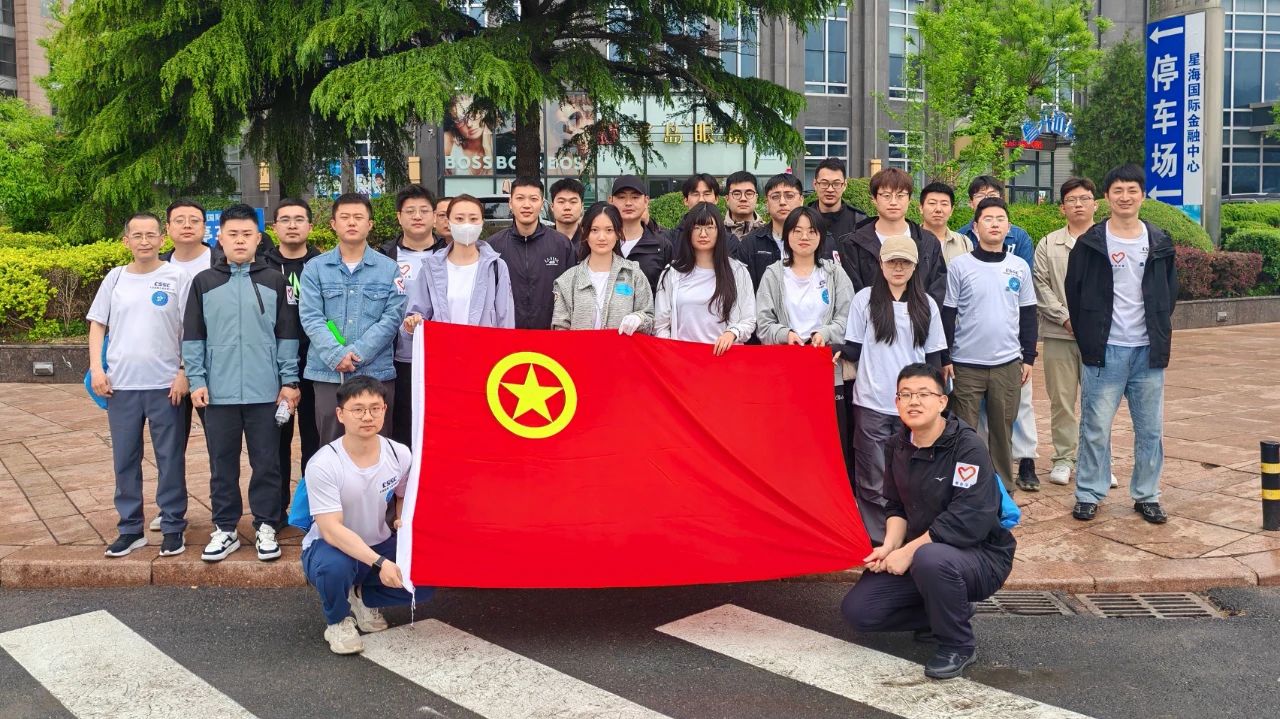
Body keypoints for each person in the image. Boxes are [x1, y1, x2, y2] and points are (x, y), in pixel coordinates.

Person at [841, 363, 1015, 681]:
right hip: (926, 556)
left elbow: (968, 516)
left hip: (981, 555)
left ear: (942, 401)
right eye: (905, 394)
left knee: (930, 558)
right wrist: (889, 547)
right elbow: (895, 506)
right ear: (896, 402)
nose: (914, 401)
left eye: (923, 394)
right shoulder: (897, 445)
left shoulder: (967, 447)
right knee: (859, 611)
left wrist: (908, 552)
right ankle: (944, 612)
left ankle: (958, 644)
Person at [183, 204, 301, 562]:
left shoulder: (274, 280)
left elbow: (287, 335)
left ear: (258, 238)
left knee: (267, 463)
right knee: (222, 464)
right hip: (218, 394)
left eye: (246, 234)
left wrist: (289, 380)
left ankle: (266, 525)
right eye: (232, 234)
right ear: (219, 237)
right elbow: (194, 336)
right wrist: (197, 380)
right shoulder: (204, 282)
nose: (239, 240)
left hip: (266, 392)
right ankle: (225, 527)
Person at [1066, 164, 1178, 524]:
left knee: (1150, 429)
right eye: (1118, 190)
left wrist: (1157, 329)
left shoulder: (1159, 240)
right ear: (1107, 197)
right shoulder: (1091, 242)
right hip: (1105, 350)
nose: (1125, 197)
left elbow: (1169, 292)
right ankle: (1089, 492)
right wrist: (1089, 336)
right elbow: (1074, 291)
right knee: (1095, 427)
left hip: (1147, 351)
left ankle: (1147, 494)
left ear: (1143, 195)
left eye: (1132, 190)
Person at [300, 376, 434, 655]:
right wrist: (381, 563)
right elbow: (331, 530)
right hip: (331, 547)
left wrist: (401, 519)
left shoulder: (399, 454)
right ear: (341, 414)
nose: (367, 417)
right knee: (333, 568)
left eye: (375, 408)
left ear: (385, 410)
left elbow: (403, 495)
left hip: (378, 541)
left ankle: (362, 596)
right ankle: (337, 621)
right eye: (358, 409)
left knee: (428, 574)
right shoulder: (324, 463)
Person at [89, 213, 192, 558]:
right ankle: (130, 529)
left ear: (162, 239)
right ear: (126, 241)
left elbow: (190, 329)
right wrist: (97, 368)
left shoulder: (177, 277)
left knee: (170, 459)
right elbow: (97, 324)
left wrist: (184, 371)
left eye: (151, 235)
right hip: (121, 386)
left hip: (166, 386)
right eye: (137, 235)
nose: (144, 241)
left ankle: (173, 526)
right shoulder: (115, 278)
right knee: (125, 459)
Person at [843, 236, 947, 545]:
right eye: (892, 262)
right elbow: (853, 348)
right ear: (881, 264)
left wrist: (935, 400)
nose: (898, 268)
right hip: (871, 400)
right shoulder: (864, 300)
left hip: (913, 404)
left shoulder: (926, 304)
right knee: (872, 474)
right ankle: (878, 539)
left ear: (915, 267)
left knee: (912, 473)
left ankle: (910, 536)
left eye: (905, 263)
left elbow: (933, 358)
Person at [943, 197, 1037, 492]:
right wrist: (946, 357)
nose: (994, 224)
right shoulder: (960, 266)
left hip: (1007, 364)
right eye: (987, 219)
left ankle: (1003, 489)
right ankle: (964, 490)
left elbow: (1028, 314)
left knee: (1002, 430)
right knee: (964, 432)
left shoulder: (1019, 267)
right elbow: (948, 314)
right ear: (975, 227)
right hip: (966, 364)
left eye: (1000, 219)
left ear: (1008, 227)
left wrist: (1029, 357)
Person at [299, 193, 405, 445]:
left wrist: (357, 353)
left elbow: (393, 317)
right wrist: (336, 355)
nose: (351, 222)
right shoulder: (315, 268)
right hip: (328, 372)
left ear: (370, 224)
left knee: (376, 441)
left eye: (358, 217)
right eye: (344, 217)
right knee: (332, 442)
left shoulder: (389, 268)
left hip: (376, 371)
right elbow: (311, 316)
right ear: (333, 224)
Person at [754, 205, 853, 468]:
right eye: (797, 231)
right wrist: (784, 334)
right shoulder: (774, 274)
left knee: (830, 442)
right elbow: (763, 323)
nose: (804, 237)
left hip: (827, 368)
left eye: (811, 231)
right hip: (786, 370)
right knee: (788, 442)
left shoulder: (834, 273)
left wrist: (826, 332)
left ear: (821, 236)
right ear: (787, 235)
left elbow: (847, 318)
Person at [1033, 178, 1108, 488]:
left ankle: (1098, 463)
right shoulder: (1048, 243)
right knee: (1062, 401)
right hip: (1059, 336)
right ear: (1062, 207)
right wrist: (1066, 319)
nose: (1078, 204)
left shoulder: (1109, 240)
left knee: (1099, 402)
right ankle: (1064, 458)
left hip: (1100, 336)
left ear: (1096, 204)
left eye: (1084, 198)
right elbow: (1040, 285)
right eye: (1072, 200)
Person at [265, 198, 323, 527]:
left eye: (299, 219)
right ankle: (275, 510)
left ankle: (312, 510)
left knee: (315, 439)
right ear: (274, 227)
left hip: (317, 362)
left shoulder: (324, 264)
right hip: (274, 365)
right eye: (285, 219)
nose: (292, 225)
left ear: (310, 226)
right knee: (276, 439)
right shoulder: (262, 265)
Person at [379, 184, 445, 447]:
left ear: (435, 216)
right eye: (410, 211)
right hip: (395, 356)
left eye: (424, 211)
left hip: (437, 354)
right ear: (399, 217)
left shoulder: (449, 255)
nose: (417, 216)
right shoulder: (384, 257)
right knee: (401, 423)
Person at [402, 194, 515, 335]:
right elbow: (416, 315)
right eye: (459, 219)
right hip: (442, 346)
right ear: (449, 222)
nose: (466, 224)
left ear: (482, 223)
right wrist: (412, 324)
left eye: (473, 219)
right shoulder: (431, 267)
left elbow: (506, 320)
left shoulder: (496, 267)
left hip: (484, 347)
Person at [835, 167, 948, 306]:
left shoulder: (928, 242)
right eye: (886, 196)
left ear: (909, 199)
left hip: (919, 317)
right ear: (874, 199)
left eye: (900, 195)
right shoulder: (854, 244)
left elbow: (937, 291)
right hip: (870, 317)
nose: (893, 202)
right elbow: (853, 293)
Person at [654, 202, 755, 353]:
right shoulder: (672, 272)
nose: (703, 234)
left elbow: (748, 319)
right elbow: (661, 324)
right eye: (697, 228)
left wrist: (732, 333)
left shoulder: (737, 271)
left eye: (709, 227)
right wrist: (672, 352)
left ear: (719, 231)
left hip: (725, 358)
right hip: (683, 358)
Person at [551, 202, 654, 333]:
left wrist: (639, 318)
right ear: (585, 233)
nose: (601, 237)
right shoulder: (568, 280)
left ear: (618, 233)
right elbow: (559, 329)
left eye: (609, 230)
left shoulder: (633, 274)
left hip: (622, 347)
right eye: (594, 230)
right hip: (579, 347)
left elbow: (649, 319)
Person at [487, 177, 574, 330]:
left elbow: (572, 294)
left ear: (542, 204)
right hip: (506, 334)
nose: (526, 205)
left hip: (551, 334)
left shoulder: (561, 245)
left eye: (533, 199)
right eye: (520, 198)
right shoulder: (493, 246)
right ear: (510, 203)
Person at [738, 173, 817, 290]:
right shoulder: (751, 243)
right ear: (767, 202)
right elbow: (743, 290)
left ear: (801, 200)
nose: (782, 202)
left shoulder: (819, 238)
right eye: (775, 197)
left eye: (789, 196)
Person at [609, 175, 672, 292]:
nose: (628, 203)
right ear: (611, 201)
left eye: (635, 197)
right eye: (621, 197)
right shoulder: (600, 243)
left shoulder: (661, 246)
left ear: (646, 201)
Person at [667, 173, 742, 257]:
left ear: (716, 199)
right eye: (695, 194)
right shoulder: (671, 240)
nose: (701, 200)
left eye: (707, 194)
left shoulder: (730, 241)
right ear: (686, 200)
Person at [807, 157, 868, 244]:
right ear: (815, 184)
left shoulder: (859, 221)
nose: (830, 189)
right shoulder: (802, 218)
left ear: (844, 185)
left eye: (836, 184)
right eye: (824, 183)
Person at [918, 182, 973, 265]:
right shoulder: (910, 240)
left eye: (944, 204)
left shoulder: (964, 243)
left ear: (951, 210)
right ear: (921, 208)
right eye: (932, 203)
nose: (938, 209)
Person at [161, 199, 212, 278]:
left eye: (194, 221)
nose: (187, 225)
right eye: (179, 221)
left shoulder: (225, 262)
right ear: (168, 228)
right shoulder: (156, 265)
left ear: (204, 227)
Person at [724, 170, 765, 241]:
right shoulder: (717, 232)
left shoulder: (768, 233)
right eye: (737, 194)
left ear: (756, 198)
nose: (743, 198)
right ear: (727, 199)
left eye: (749, 194)